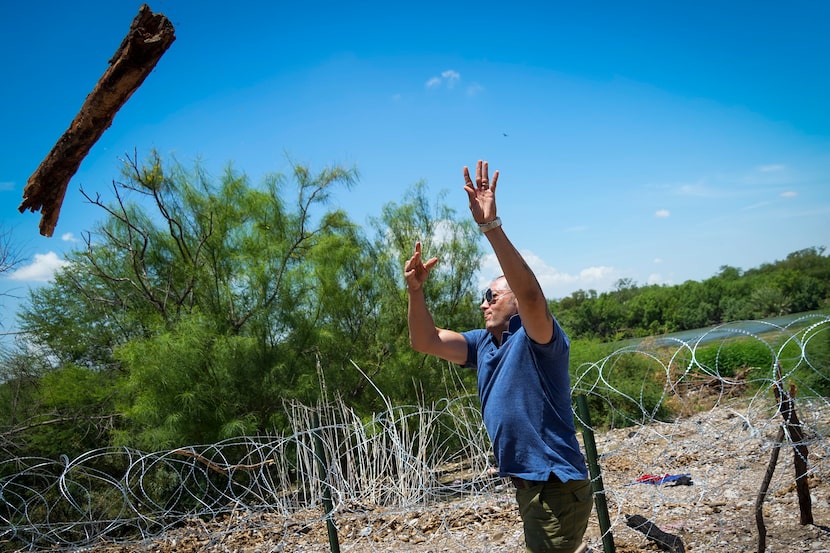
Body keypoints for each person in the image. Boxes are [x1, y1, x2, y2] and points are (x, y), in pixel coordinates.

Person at [404, 160, 592, 553]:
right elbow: (426, 340)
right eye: (483, 297)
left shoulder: (539, 338)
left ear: (514, 304)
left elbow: (532, 296)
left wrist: (490, 228)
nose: (483, 304)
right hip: (531, 488)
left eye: (492, 296)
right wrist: (415, 293)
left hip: (556, 486)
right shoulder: (483, 344)